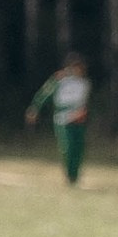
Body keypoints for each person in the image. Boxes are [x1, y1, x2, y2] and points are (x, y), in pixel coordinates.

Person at [28, 49, 92, 185]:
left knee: (78, 148)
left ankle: (75, 176)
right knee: (67, 147)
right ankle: (69, 175)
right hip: (63, 117)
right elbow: (45, 94)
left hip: (79, 118)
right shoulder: (60, 79)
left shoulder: (84, 82)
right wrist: (35, 107)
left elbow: (85, 102)